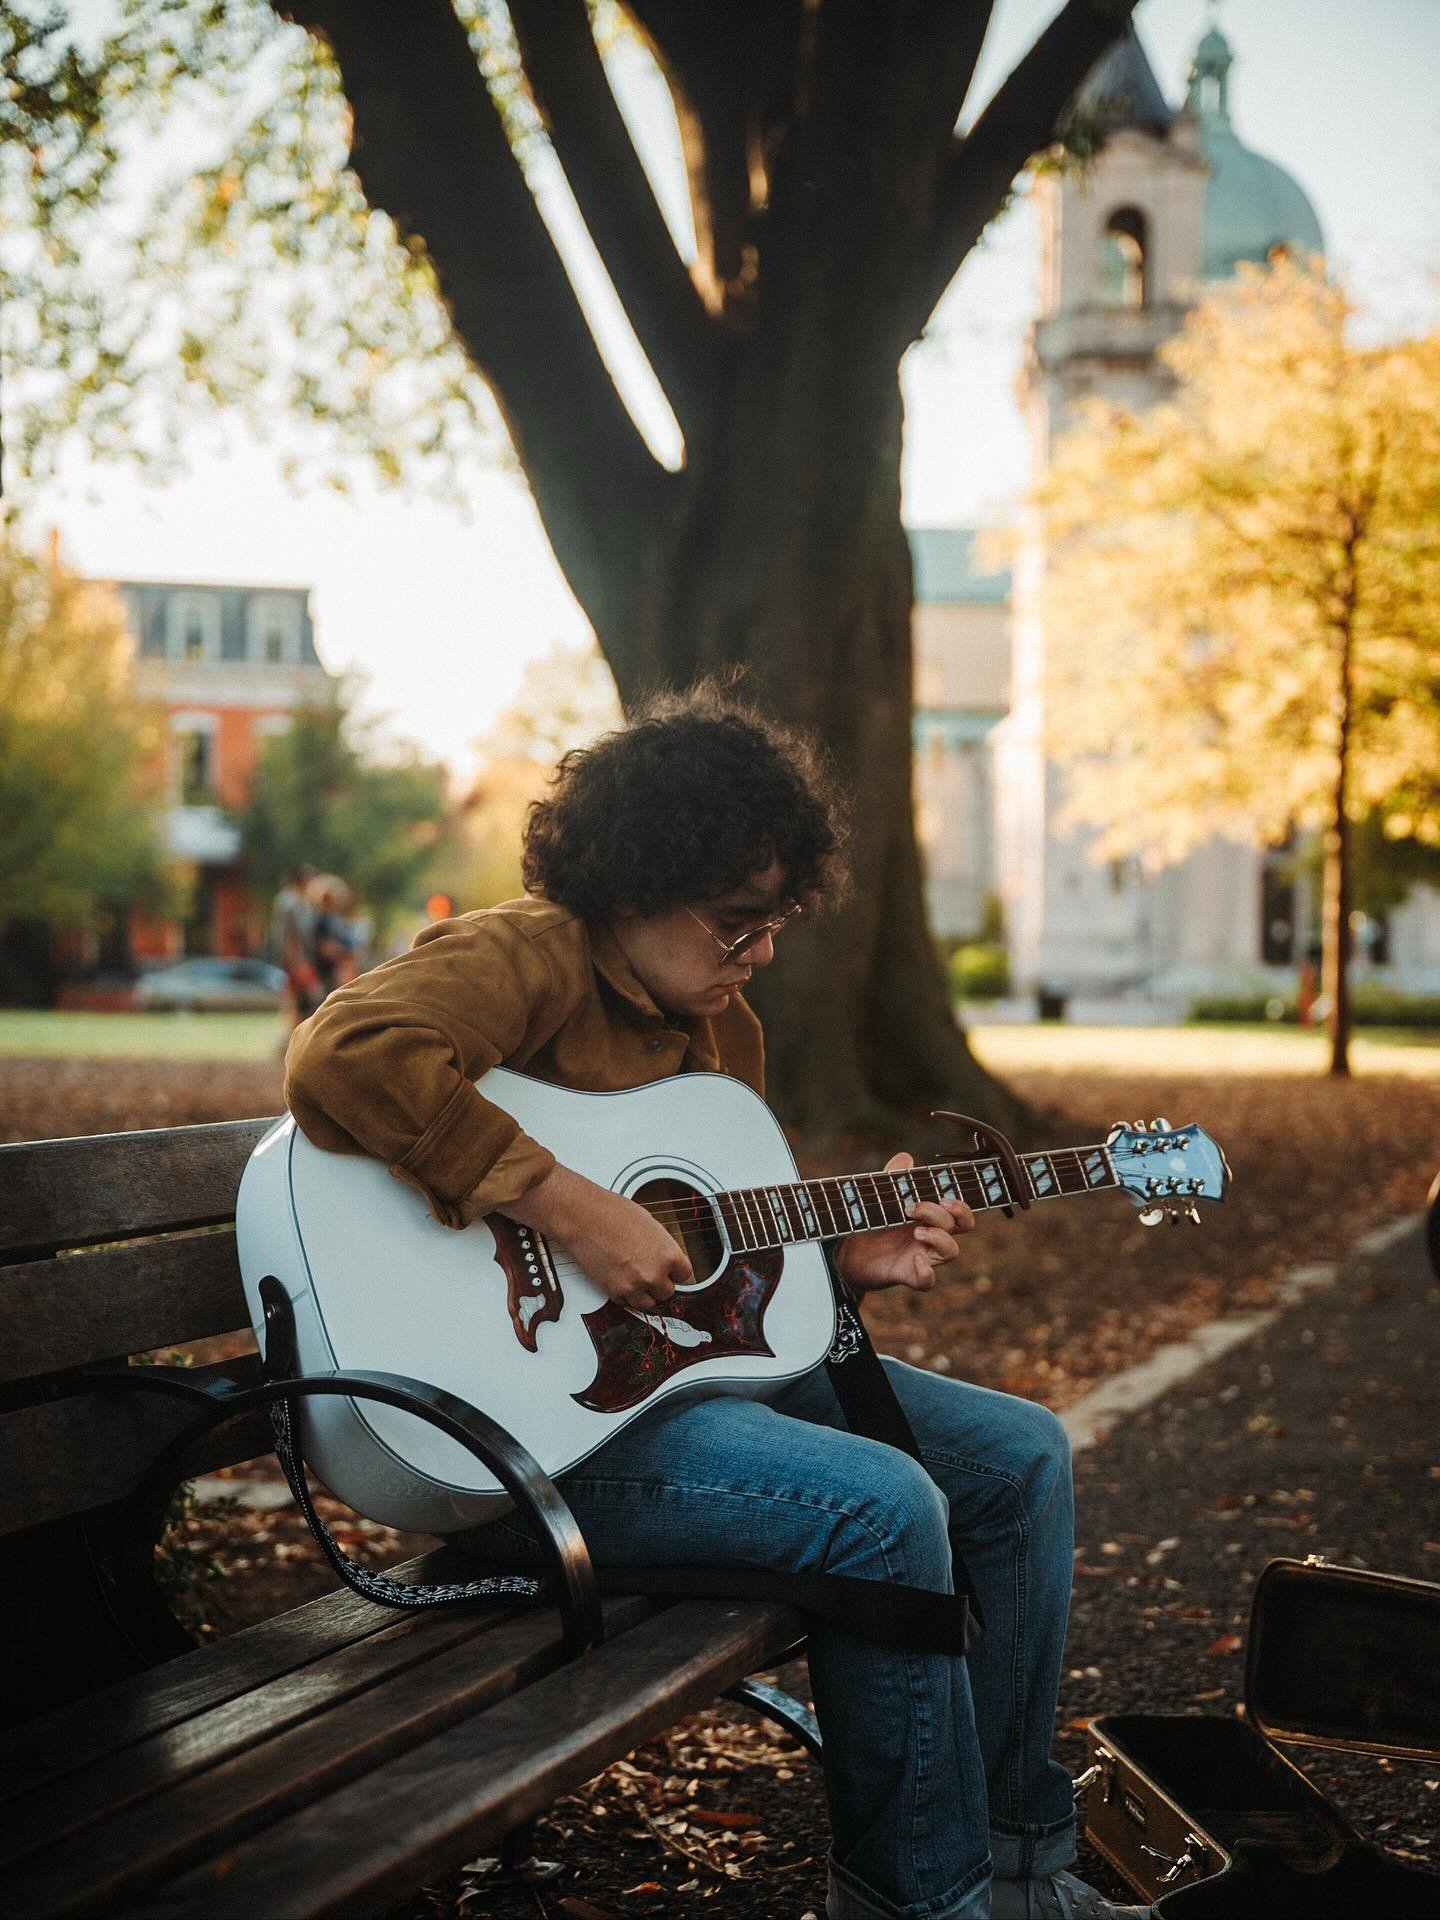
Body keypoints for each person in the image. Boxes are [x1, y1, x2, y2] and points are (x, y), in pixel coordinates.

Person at [285, 689, 1146, 1920]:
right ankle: (923, 1902)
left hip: (654, 1394)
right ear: (635, 886)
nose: (764, 952)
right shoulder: (527, 956)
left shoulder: (719, 1030)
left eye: (777, 921)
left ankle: (1018, 1869)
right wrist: (568, 1205)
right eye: (738, 922)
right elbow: (342, 1054)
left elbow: (713, 1270)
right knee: (884, 1504)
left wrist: (844, 1267)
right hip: (515, 1436)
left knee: (1019, 1458)